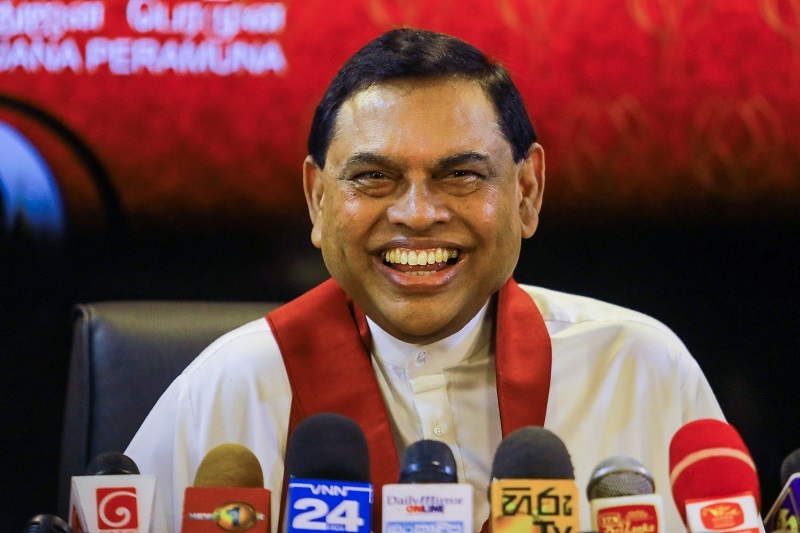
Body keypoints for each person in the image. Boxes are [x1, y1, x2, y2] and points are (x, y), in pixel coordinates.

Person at [126, 28, 723, 532]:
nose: (416, 213)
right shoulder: (224, 387)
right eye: (373, 177)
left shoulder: (641, 368)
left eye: (460, 174)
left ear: (527, 192)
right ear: (317, 201)